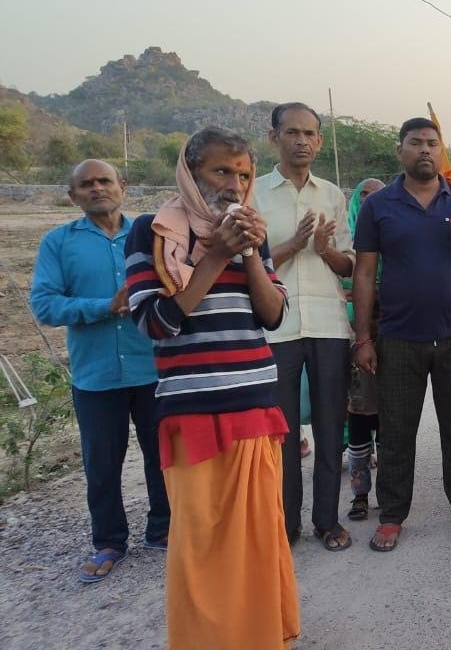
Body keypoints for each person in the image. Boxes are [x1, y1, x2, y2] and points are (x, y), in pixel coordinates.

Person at [124, 127, 298, 649]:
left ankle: (262, 633)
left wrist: (248, 252)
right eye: (221, 171)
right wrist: (216, 254)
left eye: (243, 174)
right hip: (191, 410)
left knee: (257, 534)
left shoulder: (253, 234)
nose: (234, 185)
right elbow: (154, 323)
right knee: (200, 541)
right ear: (190, 172)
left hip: (254, 402)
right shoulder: (153, 232)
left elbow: (273, 314)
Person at [353, 117, 451, 551]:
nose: (424, 150)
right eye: (415, 143)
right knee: (397, 431)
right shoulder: (380, 205)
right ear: (400, 150)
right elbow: (364, 273)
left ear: (441, 150)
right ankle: (392, 515)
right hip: (398, 337)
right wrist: (363, 338)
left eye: (432, 143)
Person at [31, 159, 169, 584]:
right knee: (102, 464)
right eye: (86, 184)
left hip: (152, 367)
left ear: (122, 185)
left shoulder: (150, 234)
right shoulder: (58, 243)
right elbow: (44, 304)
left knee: (162, 456)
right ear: (72, 195)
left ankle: (164, 529)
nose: (97, 188)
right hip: (96, 374)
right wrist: (104, 306)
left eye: (104, 180)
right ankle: (109, 541)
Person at [253, 102, 355, 551]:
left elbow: (347, 265)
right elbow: (247, 265)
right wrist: (294, 244)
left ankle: (327, 522)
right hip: (276, 326)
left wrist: (325, 249)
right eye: (292, 132)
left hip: (328, 324)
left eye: (310, 134)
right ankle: (286, 522)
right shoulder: (254, 194)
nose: (302, 141)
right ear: (273, 137)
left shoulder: (331, 194)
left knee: (331, 428)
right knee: (283, 432)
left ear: (319, 140)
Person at [344, 177, 385, 521]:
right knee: (358, 417)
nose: (371, 201)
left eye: (378, 196)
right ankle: (360, 495)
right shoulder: (344, 239)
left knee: (389, 420)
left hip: (392, 338)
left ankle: (388, 492)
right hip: (353, 337)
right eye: (365, 196)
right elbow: (343, 281)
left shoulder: (393, 235)